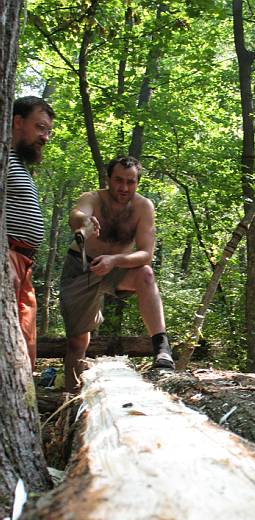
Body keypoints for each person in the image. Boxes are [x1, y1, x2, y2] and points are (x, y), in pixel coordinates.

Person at [60, 156, 174, 394]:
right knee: (77, 341)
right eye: (118, 181)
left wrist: (115, 261)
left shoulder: (144, 207)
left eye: (130, 182)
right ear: (108, 179)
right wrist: (85, 222)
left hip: (116, 267)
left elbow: (145, 254)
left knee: (146, 275)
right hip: (81, 266)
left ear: (137, 182)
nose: (124, 188)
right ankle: (72, 397)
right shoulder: (92, 198)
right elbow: (77, 215)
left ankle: (162, 348)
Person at [6, 96, 55, 369]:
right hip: (8, 257)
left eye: (47, 130)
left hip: (23, 264)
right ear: (17, 122)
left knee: (25, 349)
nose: (45, 137)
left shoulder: (17, 163)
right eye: (40, 127)